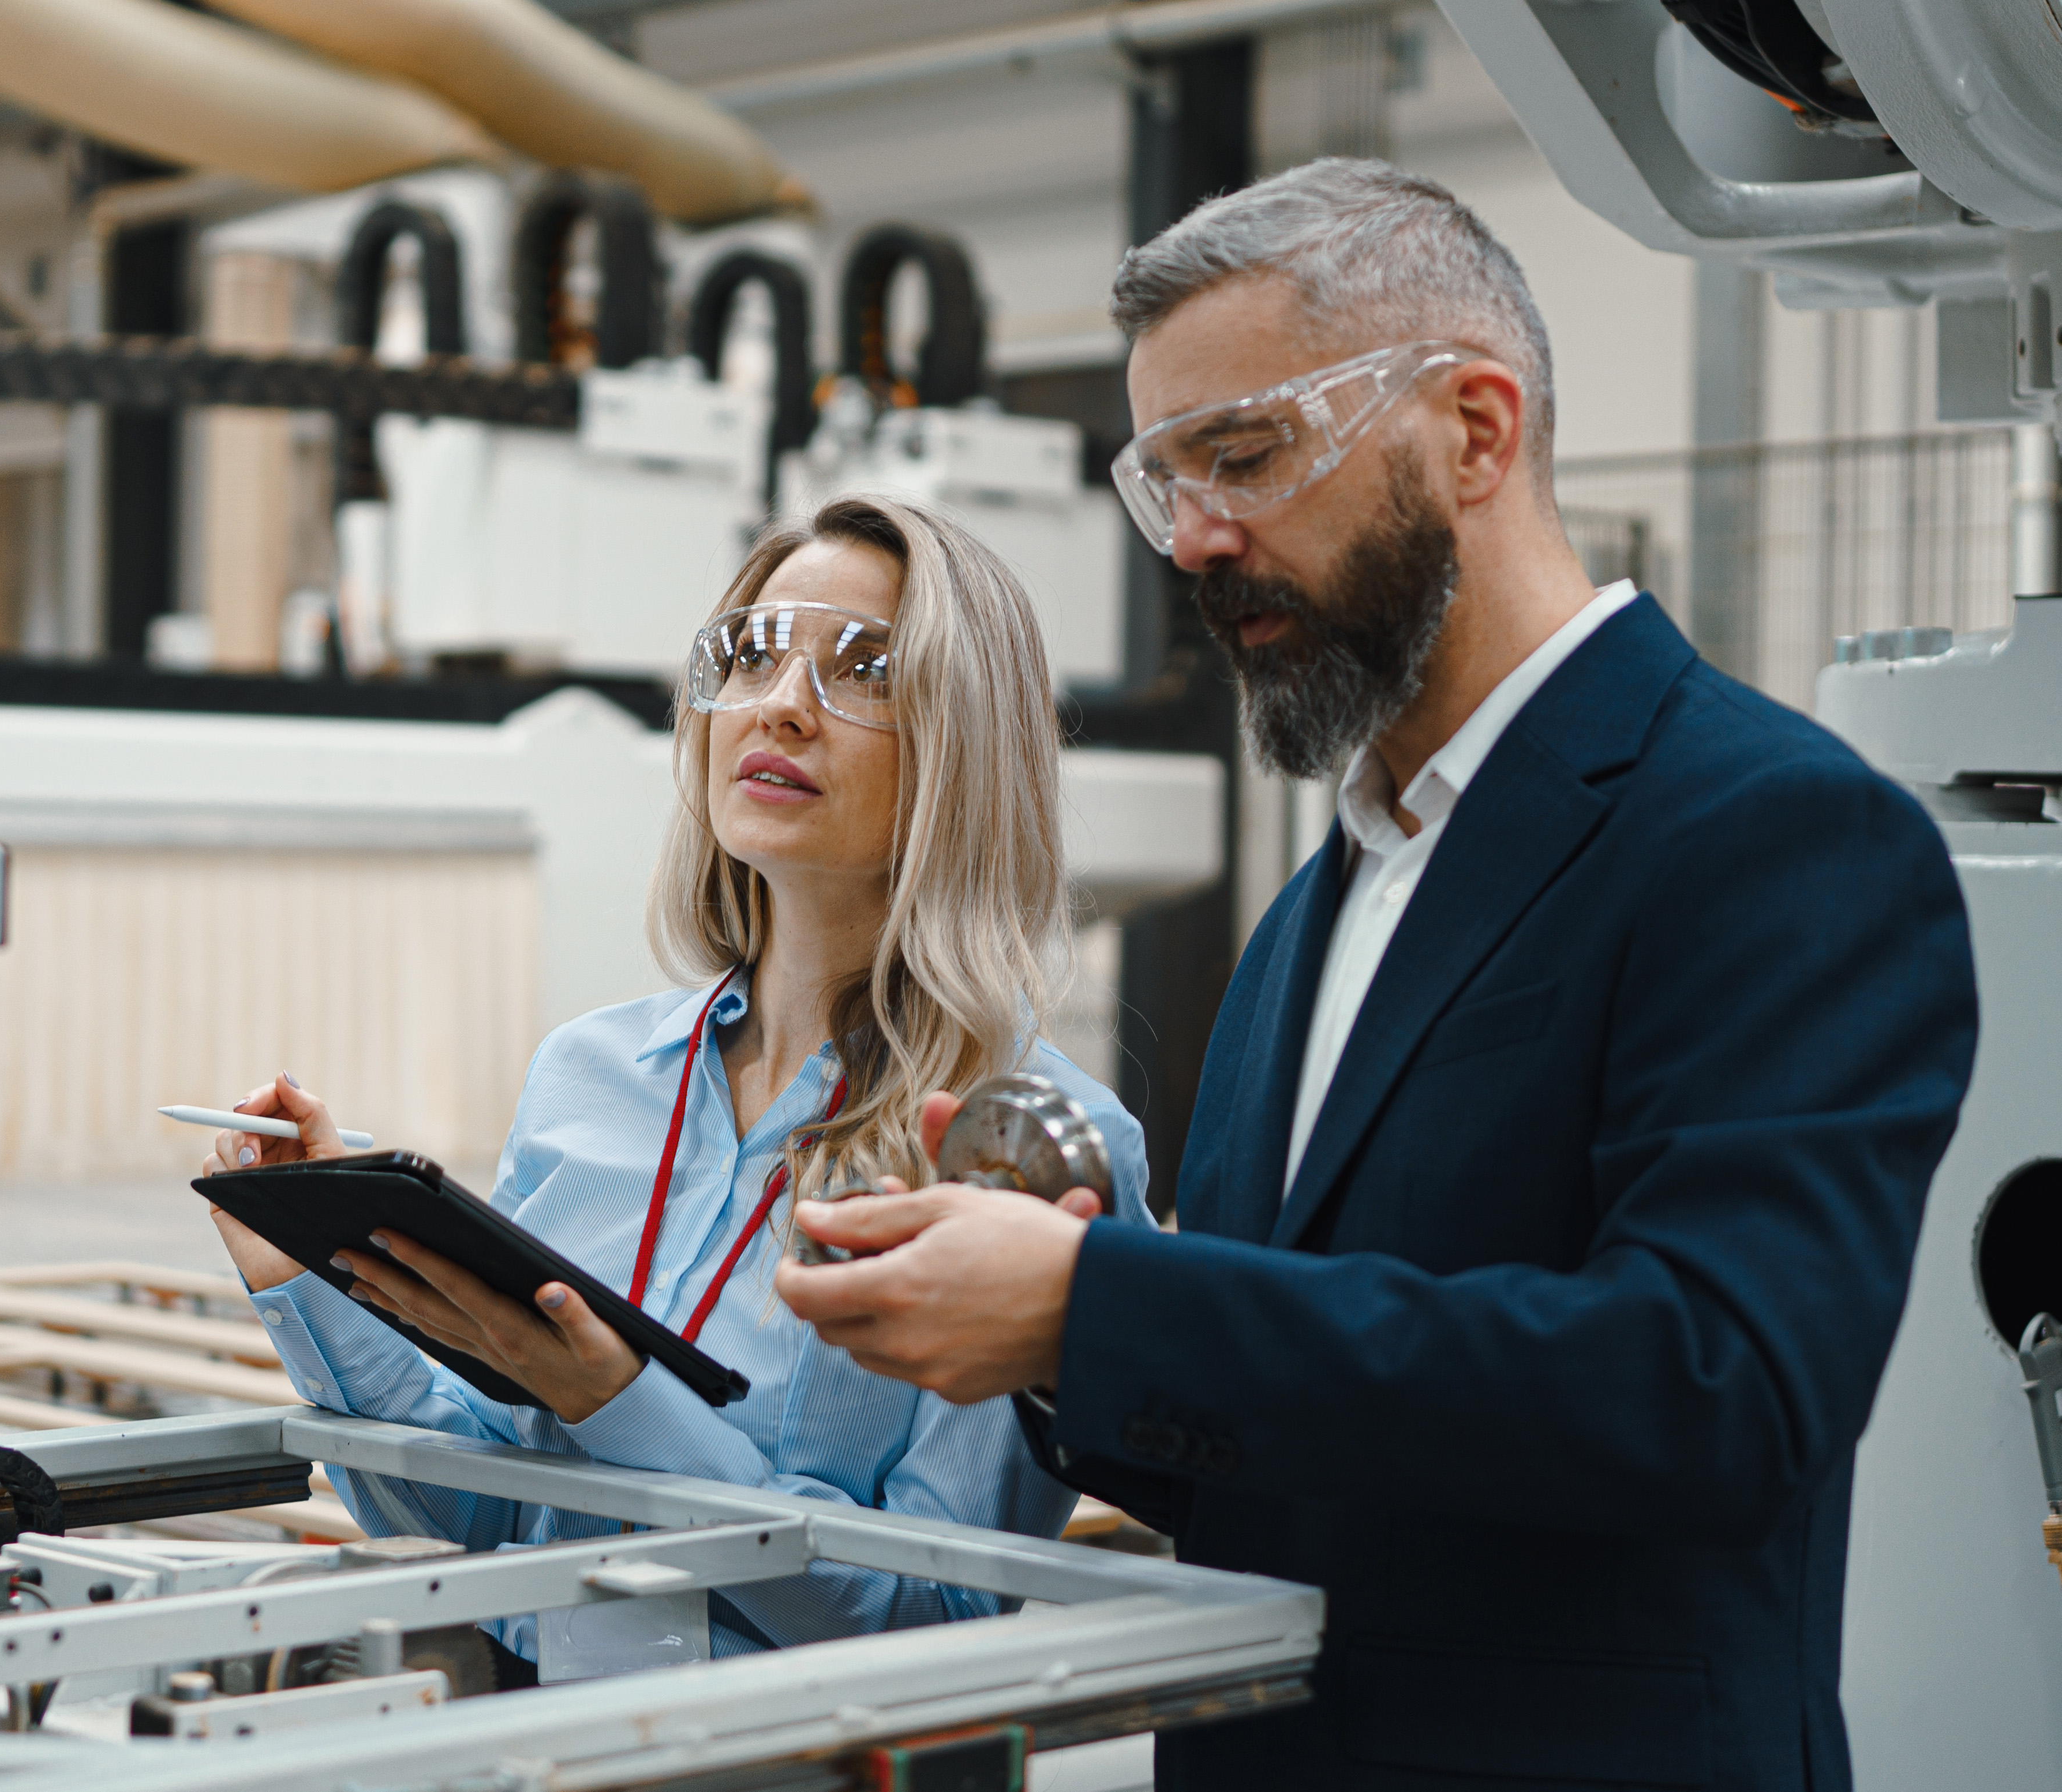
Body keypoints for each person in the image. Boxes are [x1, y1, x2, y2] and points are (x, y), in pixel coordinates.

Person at [775, 159, 1979, 1791]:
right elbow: (1295, 1449)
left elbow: (1716, 1389)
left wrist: (1104, 1302)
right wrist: (1060, 1343)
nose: (1196, 541)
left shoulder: (1774, 832)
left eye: (1245, 456)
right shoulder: (1322, 907)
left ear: (1475, 431)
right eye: (1166, 482)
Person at [203, 492, 1151, 1677]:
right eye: (751, 655)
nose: (783, 704)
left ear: (964, 741)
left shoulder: (1021, 1149)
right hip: (533, 1738)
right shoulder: (588, 1078)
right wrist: (311, 1274)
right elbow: (479, 1521)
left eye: (861, 667)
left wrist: (622, 1402)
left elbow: (934, 1621)